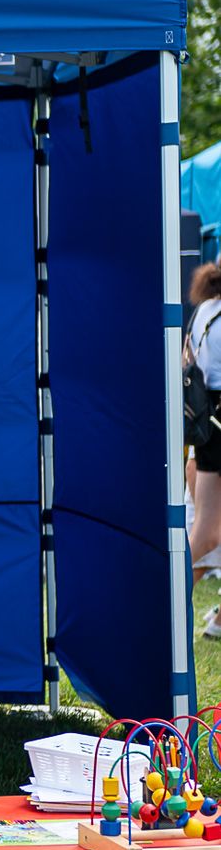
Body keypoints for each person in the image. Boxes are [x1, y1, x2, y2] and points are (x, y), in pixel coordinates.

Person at [188, 263, 221, 632]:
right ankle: (163, 602)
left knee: (206, 532)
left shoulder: (205, 309)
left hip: (206, 426)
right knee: (207, 534)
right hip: (216, 431)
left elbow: (190, 361)